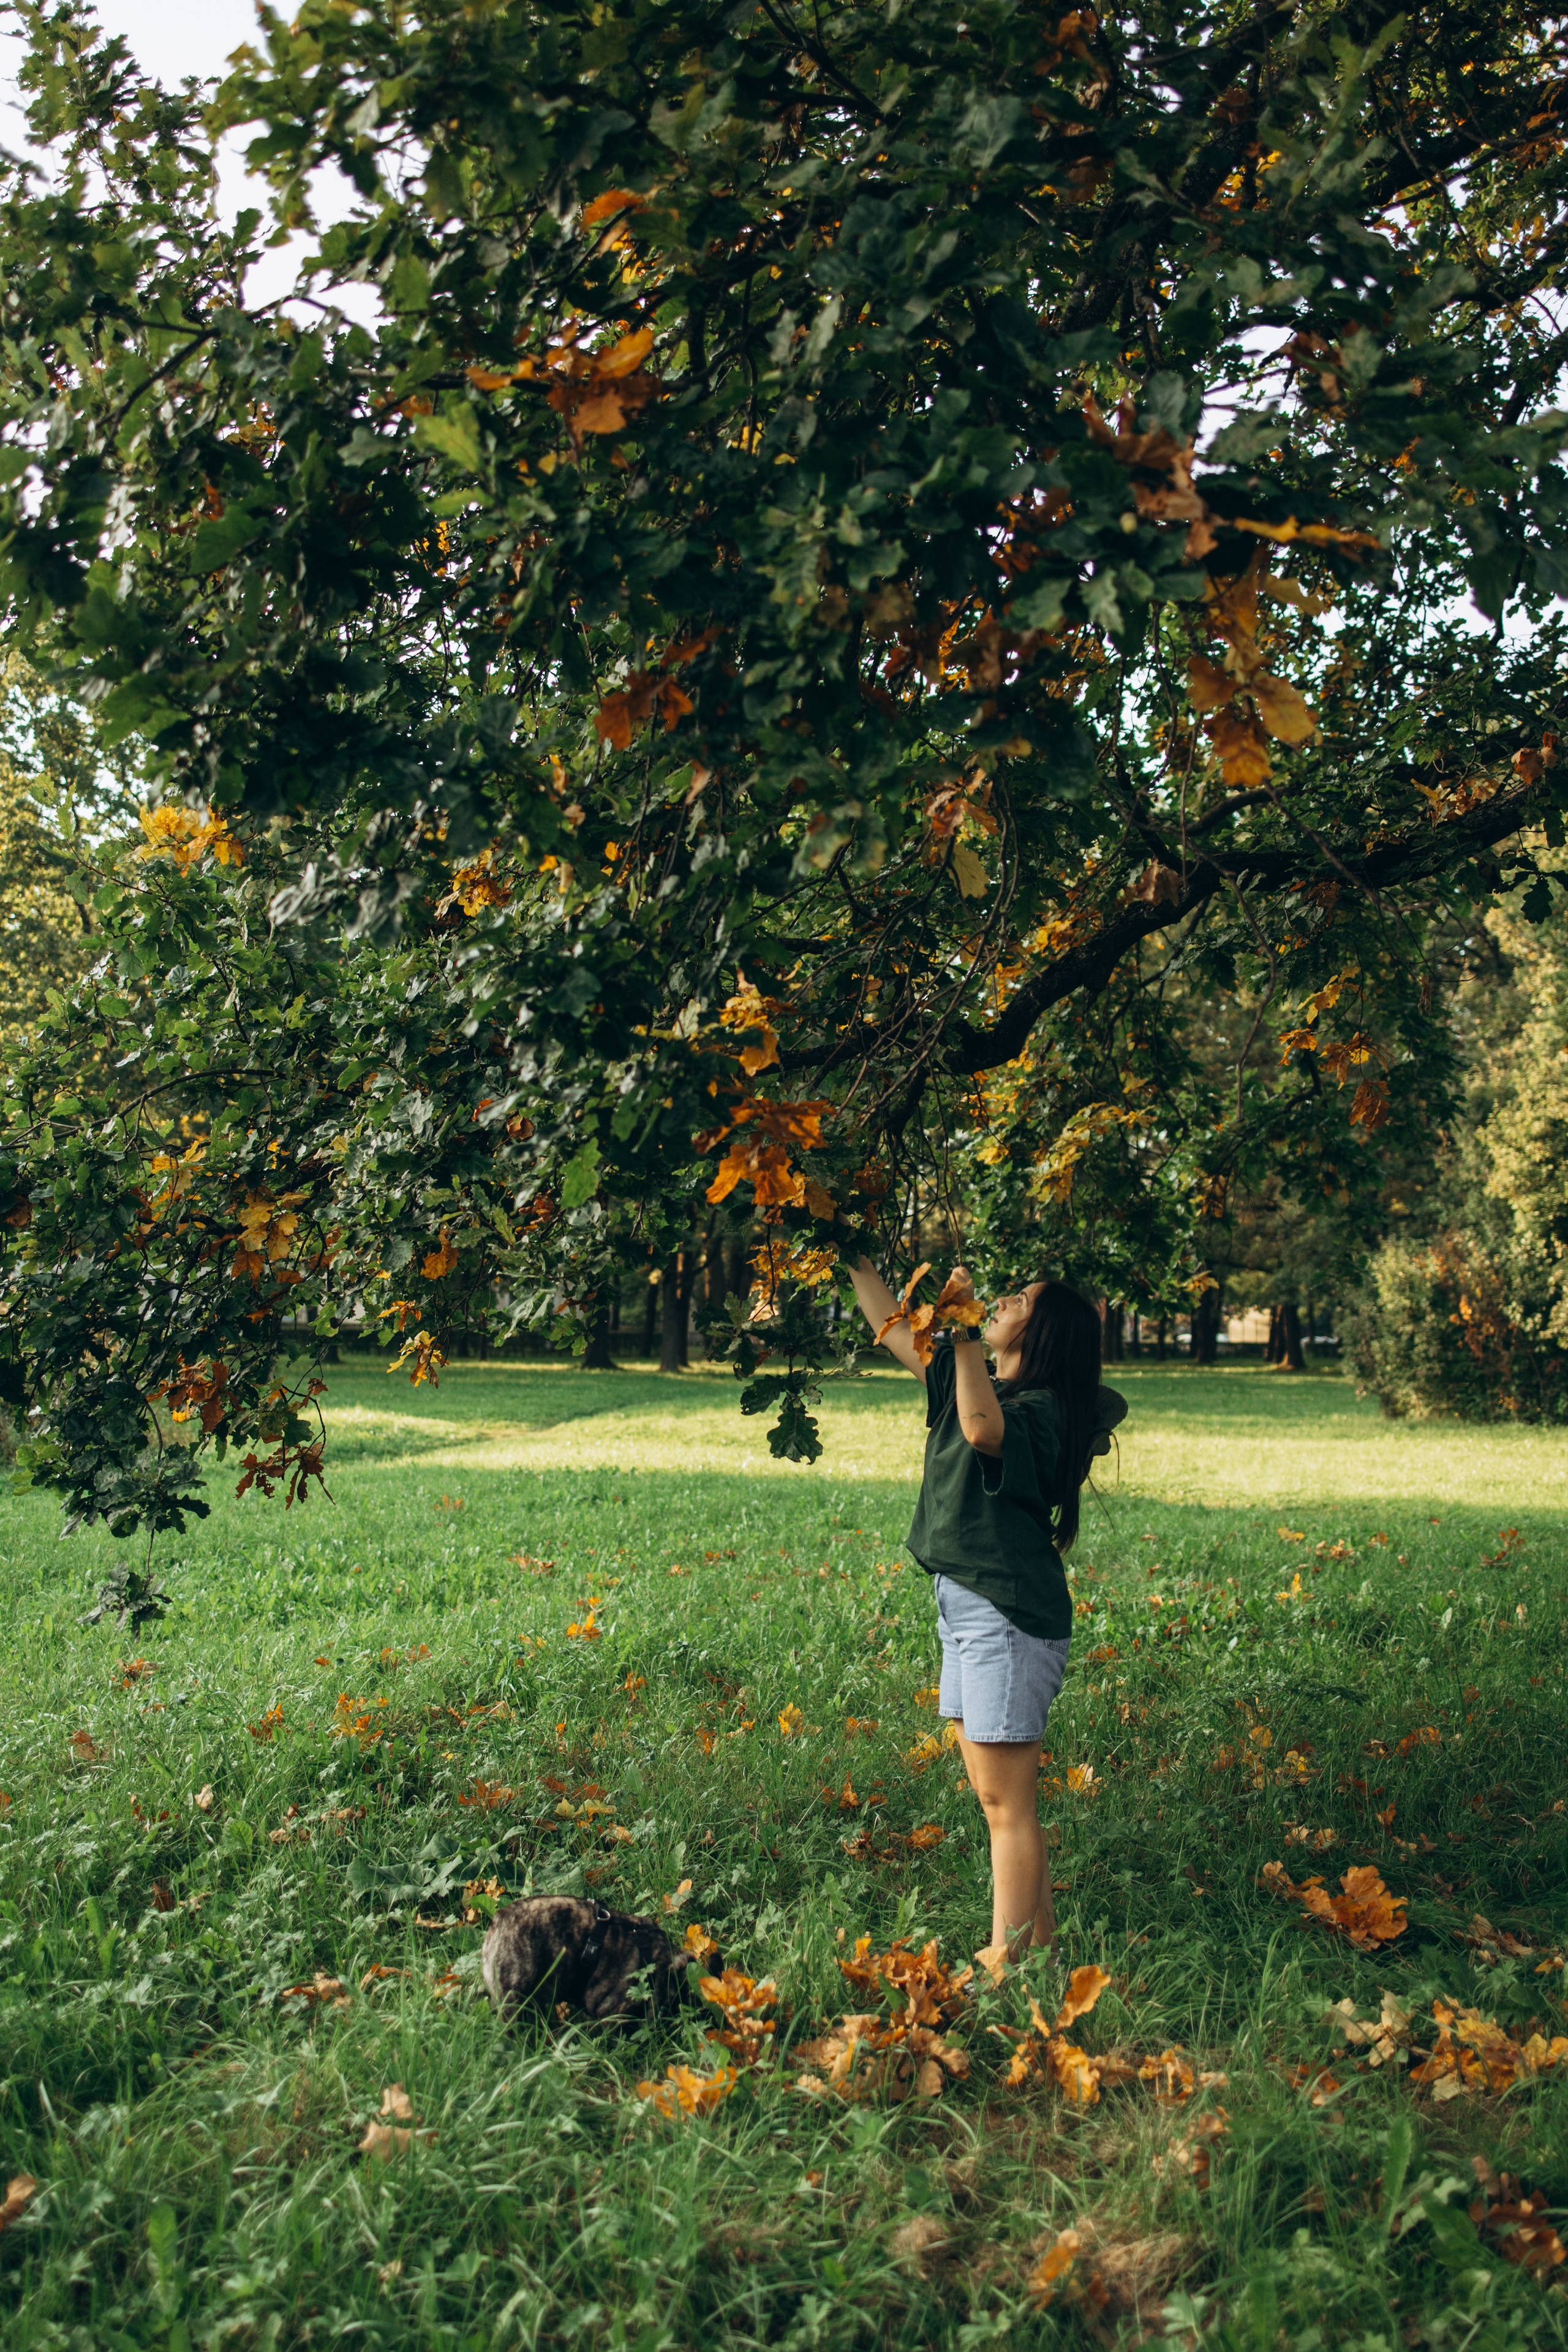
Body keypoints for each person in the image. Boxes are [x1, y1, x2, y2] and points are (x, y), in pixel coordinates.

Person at [848, 1260, 1126, 1964]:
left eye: (1018, 1301)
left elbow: (981, 1431)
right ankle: (1038, 1946)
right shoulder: (973, 1378)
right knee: (992, 1798)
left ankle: (1010, 1965)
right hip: (968, 1606)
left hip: (1006, 1616)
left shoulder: (1046, 1412)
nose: (1001, 1301)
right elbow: (892, 1329)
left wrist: (965, 1328)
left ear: (1046, 1333)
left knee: (1008, 1807)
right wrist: (849, 1252)